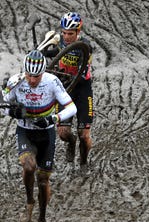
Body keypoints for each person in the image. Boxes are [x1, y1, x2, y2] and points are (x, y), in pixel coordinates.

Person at [3, 50, 77, 222]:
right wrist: (11, 111)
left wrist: (55, 119)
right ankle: (29, 202)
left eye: (36, 76)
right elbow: (2, 105)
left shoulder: (52, 82)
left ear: (43, 72)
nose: (32, 80)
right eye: (28, 75)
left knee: (43, 181)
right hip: (25, 132)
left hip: (47, 133)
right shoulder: (16, 81)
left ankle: (42, 217)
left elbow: (71, 107)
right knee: (29, 167)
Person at [43, 12, 93, 165]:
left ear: (78, 32)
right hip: (65, 88)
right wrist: (42, 51)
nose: (66, 36)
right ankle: (71, 143)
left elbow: (82, 70)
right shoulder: (61, 42)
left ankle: (83, 162)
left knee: (83, 135)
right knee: (63, 133)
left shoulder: (85, 46)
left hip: (82, 89)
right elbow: (54, 53)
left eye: (70, 33)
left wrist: (71, 75)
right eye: (64, 32)